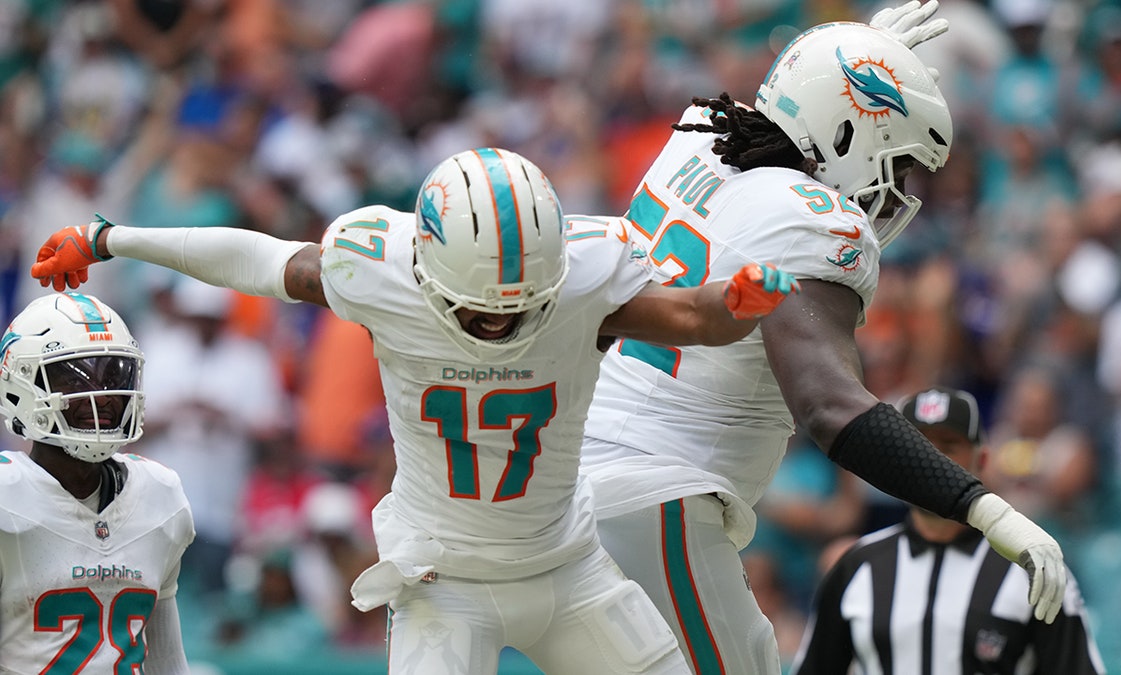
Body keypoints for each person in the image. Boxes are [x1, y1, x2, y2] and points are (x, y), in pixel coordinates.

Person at [29, 147, 801, 674]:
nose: (498, 325)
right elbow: (260, 259)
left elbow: (696, 317)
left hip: (572, 564)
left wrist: (737, 306)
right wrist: (110, 236)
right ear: (425, 266)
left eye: (519, 309)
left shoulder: (587, 274)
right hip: (445, 580)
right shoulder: (379, 267)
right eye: (477, 311)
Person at [577, 5, 1067, 673]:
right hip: (652, 494)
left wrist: (854, 56)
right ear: (846, 132)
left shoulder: (699, 136)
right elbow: (829, 405)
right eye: (896, 163)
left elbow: (784, 119)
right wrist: (980, 506)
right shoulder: (815, 222)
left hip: (572, 478)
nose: (892, 193)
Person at [790, 386, 1106, 675]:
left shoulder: (1030, 568)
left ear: (981, 458)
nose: (932, 462)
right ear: (892, 462)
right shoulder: (856, 566)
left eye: (949, 445)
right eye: (919, 447)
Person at [0, 291, 195, 673]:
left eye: (114, 374)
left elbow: (167, 662)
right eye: (75, 378)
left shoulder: (160, 495)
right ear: (24, 385)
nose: (103, 396)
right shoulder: (7, 499)